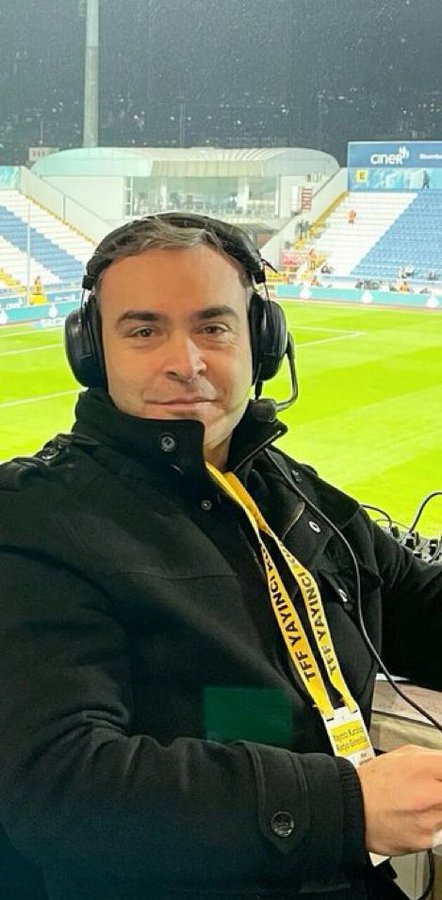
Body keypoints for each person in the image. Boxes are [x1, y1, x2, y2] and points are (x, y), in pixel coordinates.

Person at [0, 213, 441, 900]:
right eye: (144, 330)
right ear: (92, 351)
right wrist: (347, 808)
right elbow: (60, 786)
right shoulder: (35, 520)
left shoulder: (287, 488)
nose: (187, 361)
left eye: (213, 326)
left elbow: (421, 606)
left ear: (260, 342)